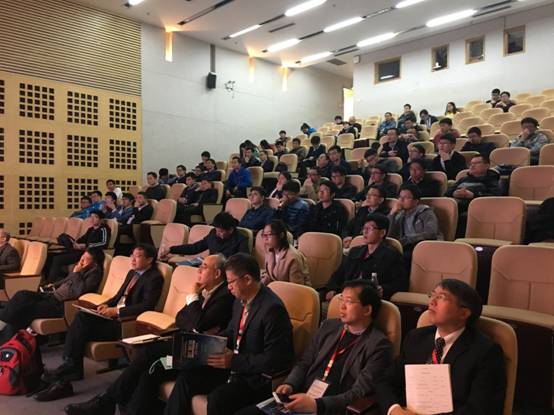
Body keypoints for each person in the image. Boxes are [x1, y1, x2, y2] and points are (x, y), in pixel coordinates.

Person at [63, 254, 235, 415]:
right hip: (183, 349)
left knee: (148, 353)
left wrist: (193, 300)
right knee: (152, 369)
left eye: (204, 267)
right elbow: (180, 318)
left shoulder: (224, 296)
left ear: (217, 273)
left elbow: (198, 323)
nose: (199, 270)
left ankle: (106, 402)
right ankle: (118, 406)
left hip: (198, 353)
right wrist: (196, 321)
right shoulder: (204, 292)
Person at [163, 253, 294, 415]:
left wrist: (233, 361)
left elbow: (275, 360)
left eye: (231, 282)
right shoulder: (240, 300)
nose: (228, 287)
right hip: (232, 366)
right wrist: (207, 344)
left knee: (218, 399)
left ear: (247, 279)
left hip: (254, 377)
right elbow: (232, 332)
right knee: (186, 378)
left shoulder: (272, 309)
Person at [238, 280, 393, 415]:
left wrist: (317, 405)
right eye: (341, 299)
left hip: (329, 408)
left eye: (349, 301)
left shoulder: (378, 345)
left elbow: (358, 393)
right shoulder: (329, 327)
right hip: (301, 397)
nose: (342, 306)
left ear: (367, 310)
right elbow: (304, 362)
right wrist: (290, 384)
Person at [376, 279, 506, 415]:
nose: (432, 302)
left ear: (463, 313)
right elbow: (385, 381)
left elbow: (480, 409)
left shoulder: (486, 352)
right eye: (432, 295)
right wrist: (394, 409)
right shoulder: (416, 338)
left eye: (442, 297)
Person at [43, 244, 164, 386]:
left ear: (149, 260)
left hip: (125, 322)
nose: (132, 260)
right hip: (112, 316)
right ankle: (70, 364)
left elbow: (146, 306)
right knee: (81, 316)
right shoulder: (132, 273)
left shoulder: (154, 278)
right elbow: (118, 296)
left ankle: (72, 367)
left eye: (137, 256)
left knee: (80, 329)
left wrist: (116, 311)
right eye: (132, 255)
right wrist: (105, 305)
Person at [0, 248, 103, 339]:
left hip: (60, 304)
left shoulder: (95, 272)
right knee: (22, 294)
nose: (81, 260)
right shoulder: (81, 268)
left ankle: (5, 335)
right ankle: (3, 323)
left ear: (94, 263)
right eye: (82, 256)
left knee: (24, 309)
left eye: (86, 259)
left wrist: (77, 273)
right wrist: (53, 284)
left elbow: (81, 291)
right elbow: (67, 280)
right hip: (51, 295)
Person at [325, 214, 407, 301]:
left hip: (369, 299)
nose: (365, 231)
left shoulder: (391, 255)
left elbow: (401, 283)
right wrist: (332, 288)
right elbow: (338, 274)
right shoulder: (354, 251)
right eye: (364, 228)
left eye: (370, 228)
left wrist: (384, 289)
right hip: (345, 295)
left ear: (382, 233)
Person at [46, 210, 111, 283]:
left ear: (101, 219)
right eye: (91, 217)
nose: (92, 219)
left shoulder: (104, 229)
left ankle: (50, 283)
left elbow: (104, 243)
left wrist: (87, 245)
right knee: (50, 256)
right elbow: (82, 239)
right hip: (79, 250)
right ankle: (48, 280)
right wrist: (76, 243)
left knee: (57, 259)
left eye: (95, 217)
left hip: (88, 253)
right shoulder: (90, 229)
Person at [445, 155, 501, 236]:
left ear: (487, 166)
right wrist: (454, 193)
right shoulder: (463, 179)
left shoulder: (492, 179)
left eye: (477, 163)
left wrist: (473, 195)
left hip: (476, 208)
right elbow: (447, 193)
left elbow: (494, 197)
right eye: (471, 164)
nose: (472, 166)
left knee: (464, 217)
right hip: (457, 206)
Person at [163, 212, 249, 262]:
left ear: (230, 230)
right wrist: (171, 249)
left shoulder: (241, 240)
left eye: (221, 231)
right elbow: (195, 247)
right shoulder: (213, 233)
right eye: (216, 230)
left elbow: (242, 262)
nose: (217, 233)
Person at [388, 184, 442, 261]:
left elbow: (431, 233)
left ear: (416, 201)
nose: (401, 200)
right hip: (406, 246)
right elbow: (388, 234)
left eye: (406, 197)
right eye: (400, 197)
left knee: (400, 258)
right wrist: (392, 214)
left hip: (424, 246)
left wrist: (408, 239)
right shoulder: (399, 215)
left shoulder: (425, 212)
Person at [261, 220, 310, 286]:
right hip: (276, 287)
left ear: (281, 235)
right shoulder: (270, 250)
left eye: (269, 234)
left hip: (291, 290)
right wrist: (266, 279)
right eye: (264, 235)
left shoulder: (293, 257)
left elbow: (296, 286)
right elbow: (272, 274)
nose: (266, 239)